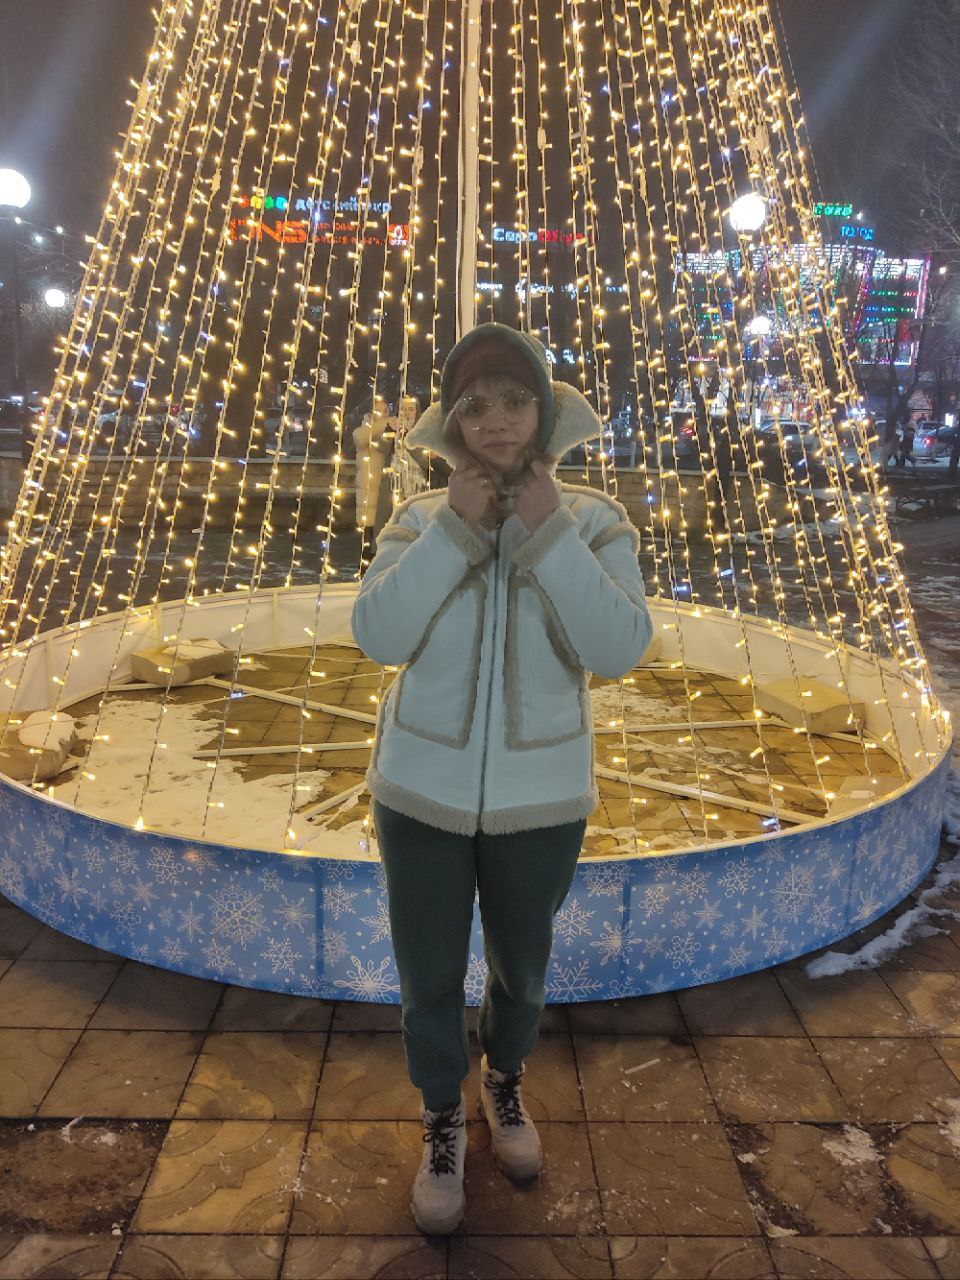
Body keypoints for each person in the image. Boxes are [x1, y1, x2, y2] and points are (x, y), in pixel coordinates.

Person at [350, 323, 652, 1235]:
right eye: (474, 403)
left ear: (545, 409)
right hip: (420, 795)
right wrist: (453, 529)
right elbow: (377, 636)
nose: (496, 419)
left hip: (541, 801)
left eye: (515, 399)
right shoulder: (418, 518)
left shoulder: (593, 520)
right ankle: (442, 1111)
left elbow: (618, 648)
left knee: (523, 965)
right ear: (452, 420)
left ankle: (505, 1082)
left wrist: (548, 532)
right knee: (428, 972)